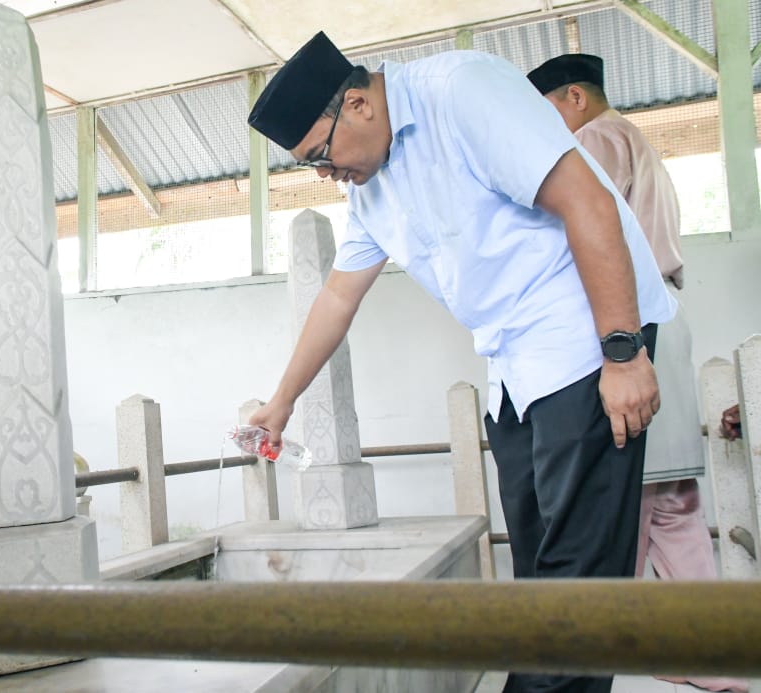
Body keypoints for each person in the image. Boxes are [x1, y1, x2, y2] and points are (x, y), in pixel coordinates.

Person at [247, 32, 675, 693]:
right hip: (512, 366)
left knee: (579, 578)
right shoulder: (373, 192)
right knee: (537, 571)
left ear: (358, 104)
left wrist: (621, 351)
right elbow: (337, 297)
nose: (328, 175)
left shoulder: (462, 93)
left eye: (322, 158)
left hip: (582, 337)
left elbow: (586, 202)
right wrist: (281, 403)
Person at [528, 54, 746, 693]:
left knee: (625, 501)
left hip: (628, 334)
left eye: (545, 111)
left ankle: (605, 647)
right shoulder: (637, 140)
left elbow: (584, 245)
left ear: (573, 98)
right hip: (666, 321)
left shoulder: (593, 140)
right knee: (674, 500)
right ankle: (713, 653)